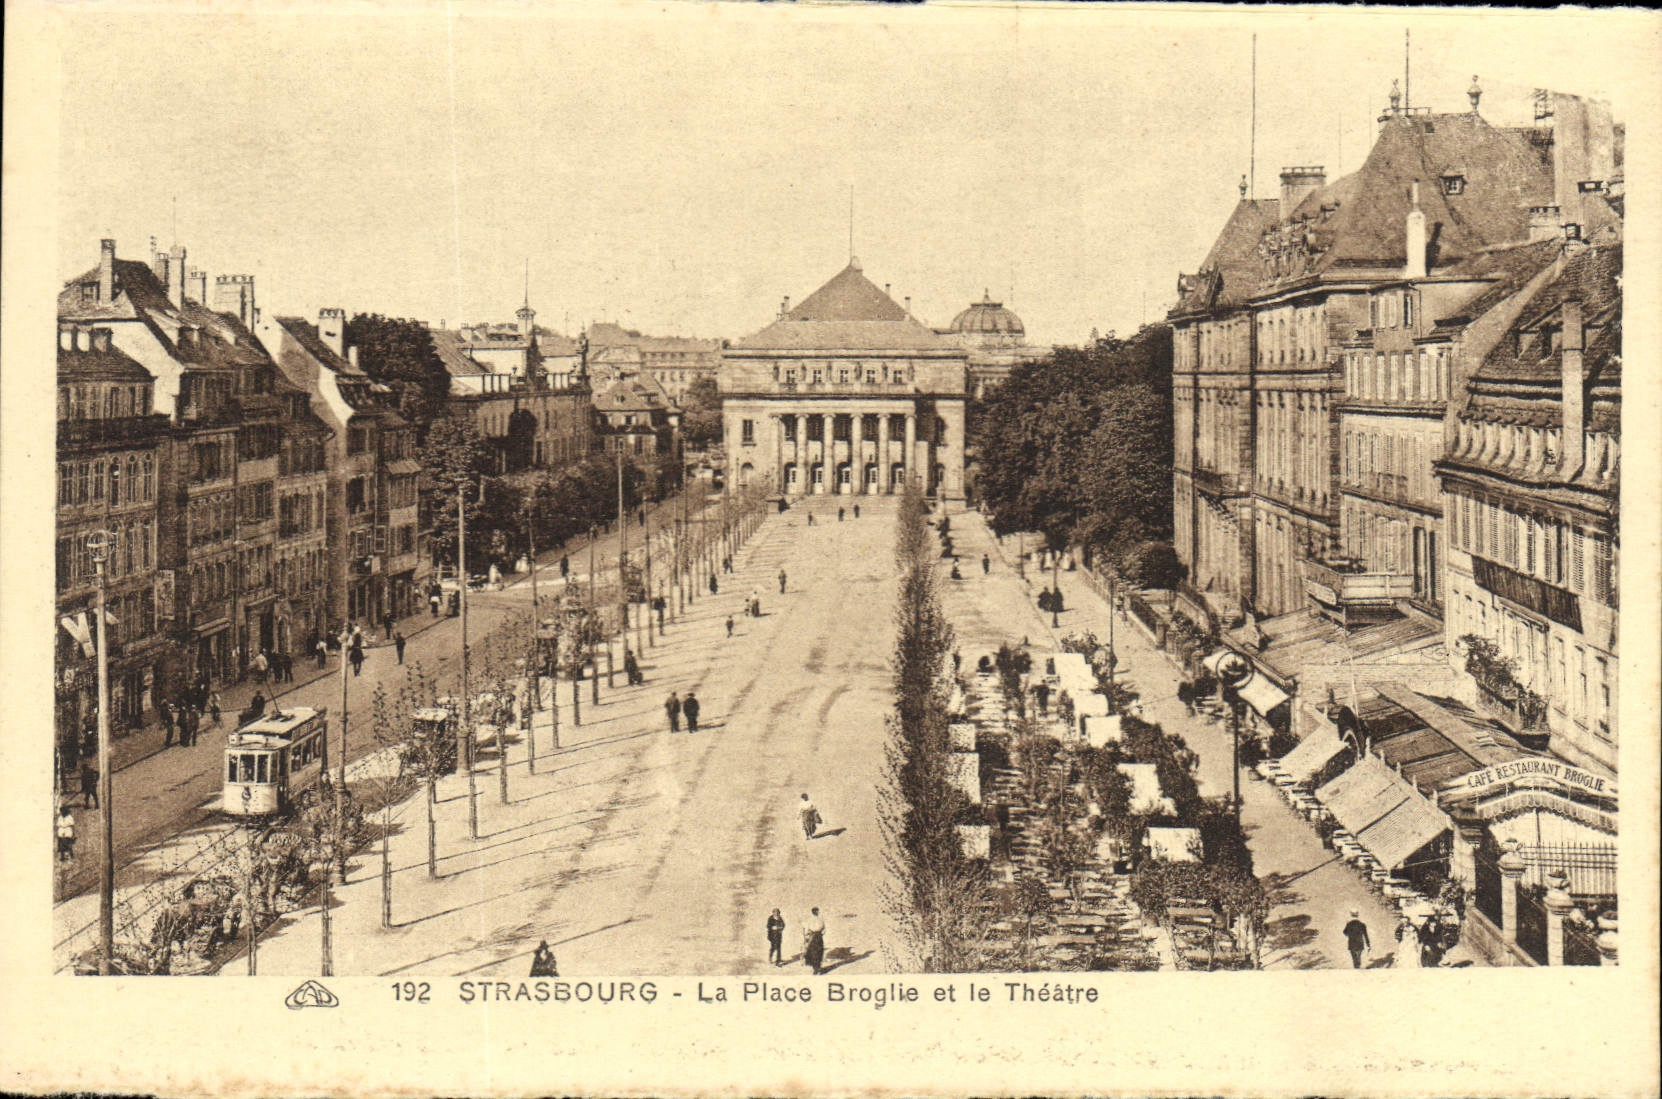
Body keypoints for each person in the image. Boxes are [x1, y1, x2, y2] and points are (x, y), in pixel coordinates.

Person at [802, 907, 826, 975]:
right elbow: (806, 929)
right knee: (813, 953)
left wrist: (821, 933)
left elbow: (824, 928)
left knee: (819, 952)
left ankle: (819, 968)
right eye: (815, 911)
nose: (817, 912)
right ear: (813, 912)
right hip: (812, 936)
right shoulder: (809, 920)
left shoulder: (821, 920)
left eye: (817, 911)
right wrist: (807, 936)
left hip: (819, 936)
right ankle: (815, 969)